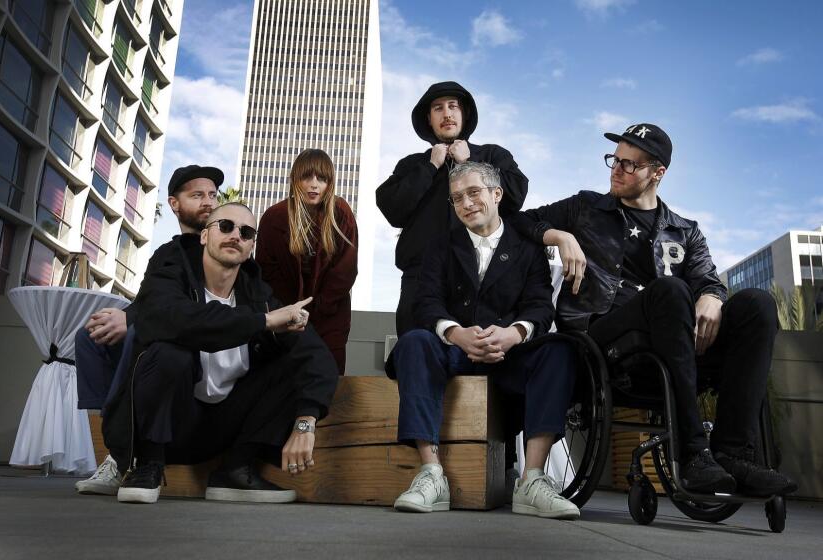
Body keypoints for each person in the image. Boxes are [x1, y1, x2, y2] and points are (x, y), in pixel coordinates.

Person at [516, 123, 796, 496]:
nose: (616, 170)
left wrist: (712, 295)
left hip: (672, 339)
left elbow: (708, 280)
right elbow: (520, 221)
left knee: (758, 304)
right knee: (670, 290)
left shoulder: (684, 231)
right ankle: (693, 451)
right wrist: (561, 236)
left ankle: (732, 452)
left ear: (657, 173)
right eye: (614, 161)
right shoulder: (585, 208)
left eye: (629, 165)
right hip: (602, 339)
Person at [99, 202, 339, 504]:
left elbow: (318, 357)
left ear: (251, 245)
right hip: (169, 426)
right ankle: (147, 464)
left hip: (222, 430)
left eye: (246, 232)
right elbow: (171, 318)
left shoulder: (258, 296)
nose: (235, 235)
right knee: (169, 352)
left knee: (291, 363)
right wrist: (262, 323)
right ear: (204, 236)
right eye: (225, 226)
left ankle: (236, 469)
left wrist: (306, 421)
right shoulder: (171, 274)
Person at [388, 162, 579, 519]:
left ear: (496, 194)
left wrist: (513, 334)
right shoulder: (440, 245)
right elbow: (426, 302)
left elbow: (540, 307)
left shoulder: (527, 247)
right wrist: (456, 333)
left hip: (508, 356)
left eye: (474, 193)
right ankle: (431, 474)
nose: (466, 203)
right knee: (414, 342)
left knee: (559, 350)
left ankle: (532, 480)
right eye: (457, 198)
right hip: (455, 351)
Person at [75, 164, 222, 494]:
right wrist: (124, 317)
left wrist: (132, 321)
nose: (209, 202)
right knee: (90, 337)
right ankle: (117, 450)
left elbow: (189, 305)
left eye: (212, 195)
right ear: (174, 203)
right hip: (160, 323)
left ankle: (128, 451)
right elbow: (152, 296)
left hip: (196, 342)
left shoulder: (223, 242)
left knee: (139, 339)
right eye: (197, 195)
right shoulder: (167, 252)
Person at [376, 81, 528, 336]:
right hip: (421, 280)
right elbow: (392, 208)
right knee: (416, 352)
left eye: (453, 106)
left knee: (480, 362)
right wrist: (430, 167)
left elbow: (515, 197)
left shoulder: (491, 155)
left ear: (464, 113)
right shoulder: (413, 164)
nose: (446, 114)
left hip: (481, 277)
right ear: (429, 118)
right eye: (438, 108)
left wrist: (469, 162)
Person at [256, 149, 358, 375]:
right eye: (307, 177)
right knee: (284, 378)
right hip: (287, 316)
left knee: (329, 377)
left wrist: (321, 307)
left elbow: (346, 269)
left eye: (322, 178)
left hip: (331, 315)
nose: (314, 185)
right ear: (295, 180)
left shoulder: (340, 212)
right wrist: (289, 311)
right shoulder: (274, 217)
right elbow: (266, 271)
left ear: (330, 183)